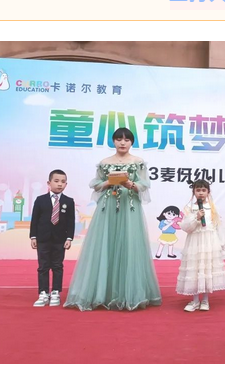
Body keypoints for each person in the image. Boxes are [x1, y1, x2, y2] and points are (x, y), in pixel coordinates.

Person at [63, 128, 161, 311]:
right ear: (113, 141)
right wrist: (109, 182)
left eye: (126, 140)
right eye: (118, 139)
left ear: (132, 142)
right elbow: (96, 185)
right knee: (104, 245)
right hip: (107, 208)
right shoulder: (104, 163)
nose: (122, 143)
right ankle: (101, 293)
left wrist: (131, 184)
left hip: (129, 208)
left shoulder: (138, 162)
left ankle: (129, 294)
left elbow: (144, 185)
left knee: (130, 246)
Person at [176, 180, 225, 312]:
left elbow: (218, 226)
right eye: (198, 190)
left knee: (206, 269)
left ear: (208, 192)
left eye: (203, 190)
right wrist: (196, 217)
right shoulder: (189, 208)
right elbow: (185, 227)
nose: (201, 193)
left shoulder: (213, 208)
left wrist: (221, 243)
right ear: (193, 192)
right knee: (194, 269)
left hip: (209, 242)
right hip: (195, 243)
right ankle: (195, 300)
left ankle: (205, 300)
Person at [30, 169, 75, 307]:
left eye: (63, 182)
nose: (59, 184)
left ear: (66, 184)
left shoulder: (68, 201)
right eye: (56, 181)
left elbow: (71, 222)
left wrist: (69, 238)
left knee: (57, 266)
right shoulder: (40, 200)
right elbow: (35, 219)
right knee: (43, 266)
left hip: (60, 240)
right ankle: (43, 293)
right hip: (43, 239)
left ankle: (55, 291)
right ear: (49, 183)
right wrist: (33, 236)